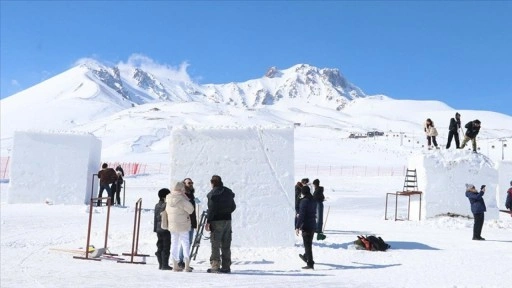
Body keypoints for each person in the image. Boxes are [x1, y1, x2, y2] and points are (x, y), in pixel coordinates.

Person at [205, 175, 236, 273]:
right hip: (228, 220)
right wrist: (226, 213)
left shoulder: (212, 194)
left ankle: (215, 265)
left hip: (216, 221)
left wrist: (208, 221)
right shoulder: (228, 192)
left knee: (215, 243)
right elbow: (233, 206)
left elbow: (211, 209)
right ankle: (226, 266)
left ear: (212, 182)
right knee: (226, 244)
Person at [165, 181, 194, 272]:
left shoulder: (168, 198)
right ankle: (187, 265)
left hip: (172, 224)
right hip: (183, 224)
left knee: (174, 243)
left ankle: (174, 264)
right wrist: (187, 200)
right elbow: (191, 210)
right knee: (185, 243)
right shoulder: (181, 198)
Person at [296, 185, 317, 269]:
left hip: (306, 225)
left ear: (303, 192)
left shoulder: (304, 201)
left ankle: (310, 263)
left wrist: (297, 226)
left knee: (307, 245)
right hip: (312, 224)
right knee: (308, 243)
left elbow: (301, 215)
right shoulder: (313, 200)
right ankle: (306, 256)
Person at [178, 178, 197, 269]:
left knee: (187, 242)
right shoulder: (183, 195)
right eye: (189, 183)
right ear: (184, 184)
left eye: (191, 183)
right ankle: (181, 261)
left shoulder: (191, 195)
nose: (191, 184)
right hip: (186, 221)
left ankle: (183, 261)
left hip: (191, 221)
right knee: (185, 242)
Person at [154, 188, 172, 270]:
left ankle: (160, 264)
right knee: (166, 246)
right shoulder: (167, 205)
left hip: (158, 228)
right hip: (165, 228)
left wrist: (155, 228)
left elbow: (155, 218)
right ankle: (165, 264)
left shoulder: (157, 205)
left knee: (160, 245)